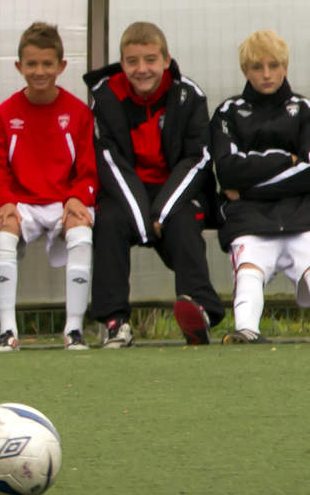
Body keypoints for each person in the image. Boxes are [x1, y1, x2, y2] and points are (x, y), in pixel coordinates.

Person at [210, 30, 310, 344]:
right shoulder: (227, 113)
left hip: (302, 215)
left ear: (285, 67)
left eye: (274, 65)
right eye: (257, 67)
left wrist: (250, 187)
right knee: (249, 269)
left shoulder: (306, 111)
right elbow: (227, 171)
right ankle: (246, 331)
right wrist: (286, 160)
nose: (266, 74)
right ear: (245, 71)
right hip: (249, 220)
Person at [83, 22, 223, 347]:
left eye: (150, 60)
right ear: (122, 63)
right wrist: (143, 216)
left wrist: (162, 210)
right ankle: (115, 321)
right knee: (109, 221)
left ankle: (199, 310)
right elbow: (108, 162)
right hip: (125, 192)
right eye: (132, 61)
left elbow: (198, 160)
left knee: (186, 221)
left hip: (174, 191)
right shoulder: (104, 98)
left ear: (166, 59)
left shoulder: (190, 96)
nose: (142, 69)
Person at [0, 21, 97, 351]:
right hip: (23, 204)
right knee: (3, 229)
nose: (39, 71)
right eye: (31, 64)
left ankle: (73, 330)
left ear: (61, 66)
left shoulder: (78, 113)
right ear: (19, 66)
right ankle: (8, 332)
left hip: (64, 202)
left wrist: (77, 197)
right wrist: (4, 202)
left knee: (81, 230)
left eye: (47, 63)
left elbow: (88, 172)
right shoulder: (2, 116)